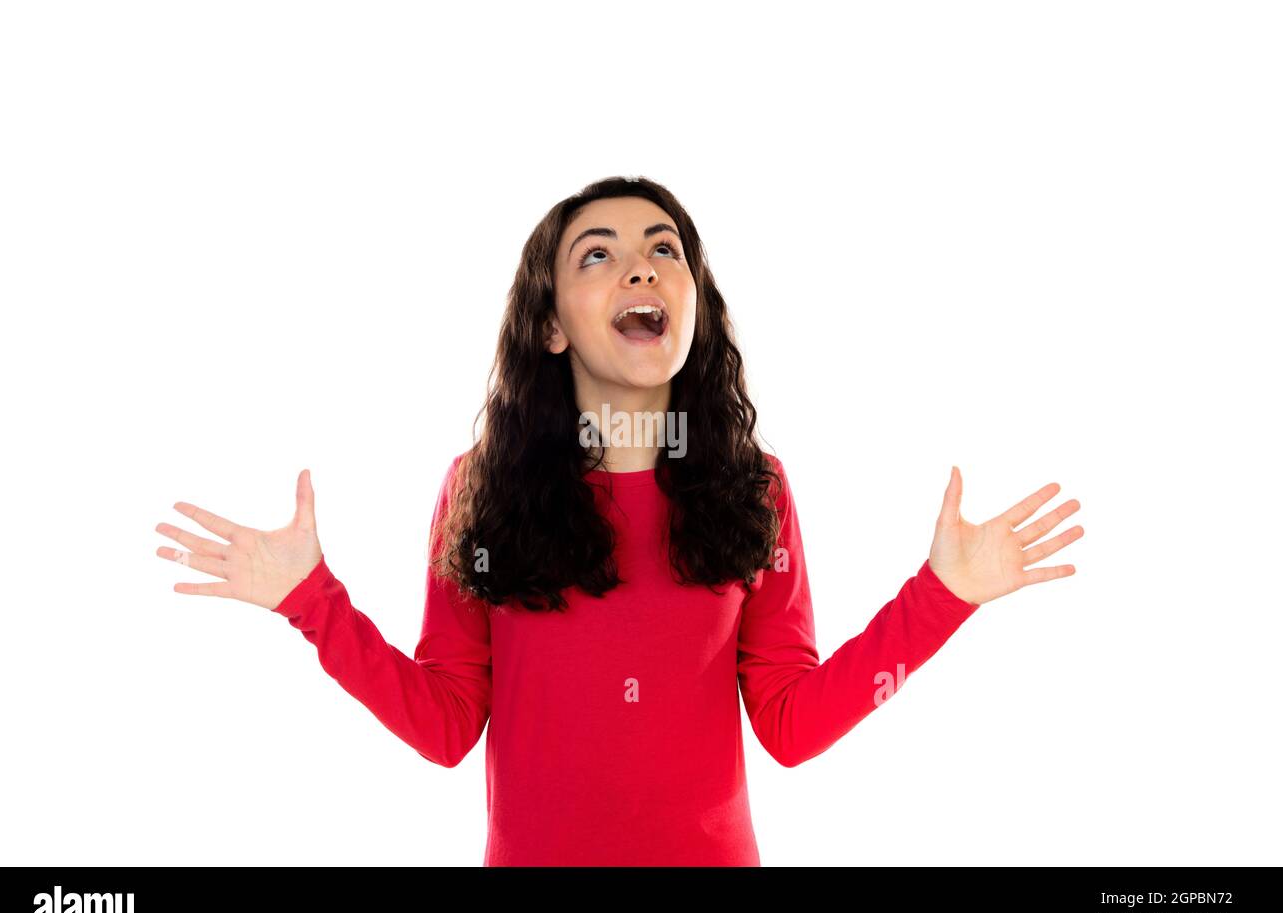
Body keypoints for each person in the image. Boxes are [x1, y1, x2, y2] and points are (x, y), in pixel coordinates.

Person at [154, 175, 1084, 866]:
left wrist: (944, 598)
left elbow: (794, 726)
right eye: (595, 253)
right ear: (552, 324)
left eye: (664, 248)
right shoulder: (479, 490)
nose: (640, 262)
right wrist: (309, 601)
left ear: (691, 310)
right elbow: (443, 724)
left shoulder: (756, 490)